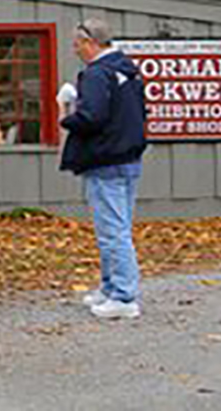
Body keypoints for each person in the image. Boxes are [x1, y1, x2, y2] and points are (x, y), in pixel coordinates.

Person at [60, 18, 147, 319]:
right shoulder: (128, 70)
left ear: (90, 43)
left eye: (77, 44)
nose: (75, 50)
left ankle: (123, 296)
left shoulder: (96, 73)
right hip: (128, 157)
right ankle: (110, 288)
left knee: (112, 231)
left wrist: (66, 113)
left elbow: (92, 117)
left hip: (104, 159)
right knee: (118, 227)